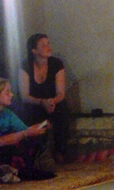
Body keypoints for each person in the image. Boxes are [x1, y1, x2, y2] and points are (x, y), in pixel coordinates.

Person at [19, 34, 71, 164]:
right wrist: (41, 102)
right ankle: (35, 152)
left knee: (62, 110)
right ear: (34, 51)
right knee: (26, 111)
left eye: (48, 43)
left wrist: (52, 101)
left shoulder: (56, 64)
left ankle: (60, 151)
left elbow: (61, 92)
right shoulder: (26, 65)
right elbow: (24, 95)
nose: (48, 47)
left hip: (53, 103)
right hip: (35, 103)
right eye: (43, 45)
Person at [0, 78, 55, 181]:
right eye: (7, 92)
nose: (11, 95)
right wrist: (25, 133)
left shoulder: (7, 113)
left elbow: (24, 129)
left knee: (30, 143)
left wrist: (39, 127)